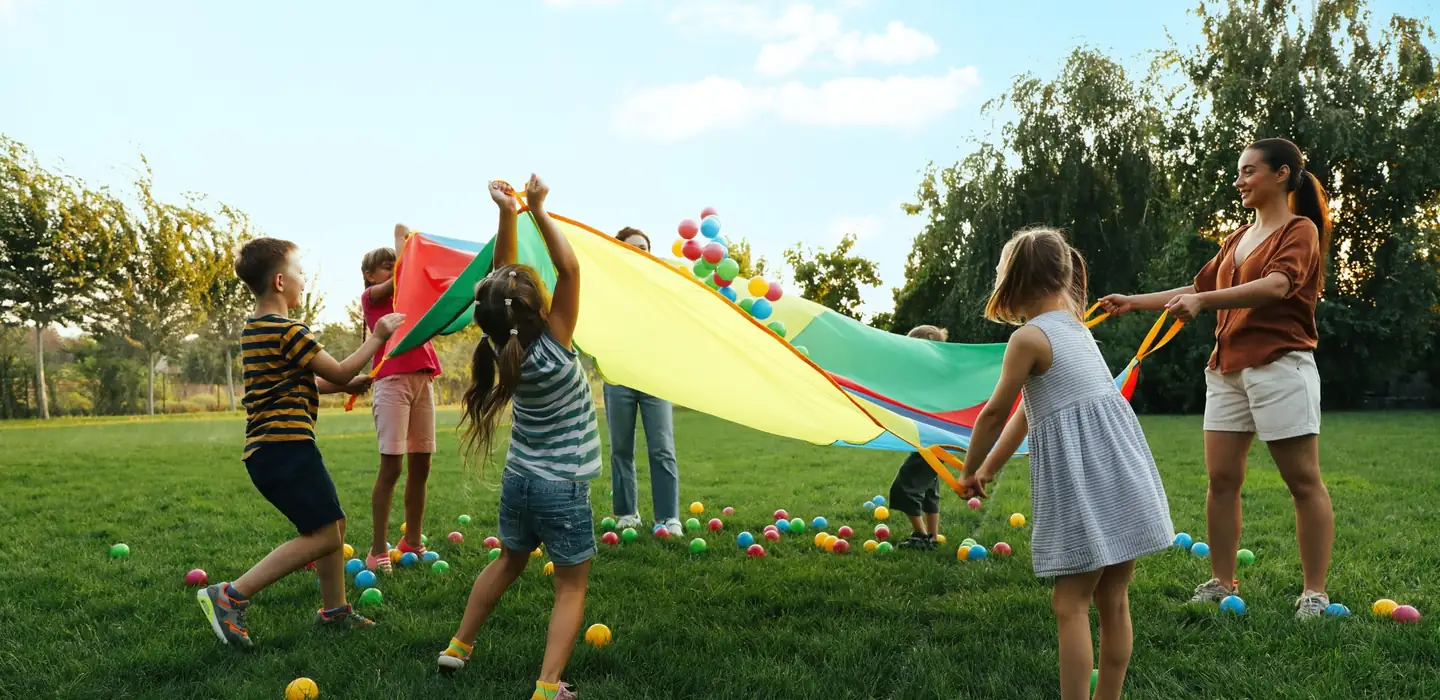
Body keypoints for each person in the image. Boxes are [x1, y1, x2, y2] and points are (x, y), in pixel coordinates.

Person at [1099, 137, 1334, 617]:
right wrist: (1133, 301)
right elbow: (1199, 287)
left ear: (1282, 173)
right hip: (1226, 369)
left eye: (1249, 171)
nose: (1239, 180)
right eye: (1239, 171)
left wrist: (1204, 303)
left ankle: (1314, 592)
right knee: (1221, 479)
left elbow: (1276, 285)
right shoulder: (1236, 239)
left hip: (1280, 364)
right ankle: (1221, 581)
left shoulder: (1300, 229)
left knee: (1302, 480)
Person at [960, 227, 1173, 700]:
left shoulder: (1028, 339)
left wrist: (966, 469)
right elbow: (1028, 411)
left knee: (1069, 602)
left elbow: (995, 412)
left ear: (1013, 281)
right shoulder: (1076, 331)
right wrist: (989, 469)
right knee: (1113, 597)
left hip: (1086, 481)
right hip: (1124, 473)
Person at [197, 236, 405, 648]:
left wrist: (343, 383)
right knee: (327, 536)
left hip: (272, 450)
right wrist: (379, 334)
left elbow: (304, 381)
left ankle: (334, 612)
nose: (303, 282)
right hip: (286, 446)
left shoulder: (256, 330)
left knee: (333, 524)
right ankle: (230, 594)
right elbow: (342, 370)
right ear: (279, 281)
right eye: (299, 273)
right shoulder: (288, 329)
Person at [436, 176, 593, 700]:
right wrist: (540, 210)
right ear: (539, 310)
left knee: (508, 560)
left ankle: (458, 646)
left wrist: (508, 213)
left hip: (519, 480)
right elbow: (569, 268)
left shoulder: (504, 346)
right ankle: (548, 687)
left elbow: (502, 284)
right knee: (570, 584)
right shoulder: (554, 346)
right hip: (561, 488)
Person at [358, 225, 443, 573]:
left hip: (423, 379)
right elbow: (401, 278)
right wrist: (402, 242)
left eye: (396, 261)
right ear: (368, 275)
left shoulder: (409, 296)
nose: (394, 267)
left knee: (421, 465)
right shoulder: (372, 298)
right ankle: (378, 549)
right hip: (391, 382)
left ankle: (413, 541)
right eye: (386, 264)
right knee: (392, 467)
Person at [603, 226, 682, 537]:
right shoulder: (608, 288)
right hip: (619, 375)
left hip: (654, 377)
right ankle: (626, 513)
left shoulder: (659, 286)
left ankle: (668, 517)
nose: (641, 251)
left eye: (645, 248)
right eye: (634, 246)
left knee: (662, 447)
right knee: (621, 447)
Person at [889, 324, 950, 550]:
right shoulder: (938, 374)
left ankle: (921, 536)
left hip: (932, 442)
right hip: (937, 440)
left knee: (904, 486)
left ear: (927, 341)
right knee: (929, 489)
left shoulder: (932, 374)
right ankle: (932, 537)